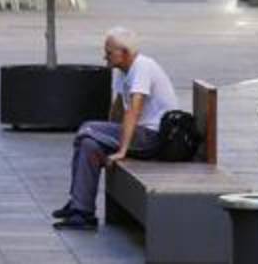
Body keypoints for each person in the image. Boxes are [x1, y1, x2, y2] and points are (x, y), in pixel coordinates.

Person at [53, 27, 179, 230]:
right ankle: (81, 210)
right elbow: (118, 108)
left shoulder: (143, 67)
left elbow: (134, 111)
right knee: (89, 144)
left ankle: (78, 203)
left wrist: (121, 150)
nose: (105, 56)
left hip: (153, 137)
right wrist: (106, 134)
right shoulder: (123, 70)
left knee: (87, 128)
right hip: (138, 134)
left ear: (126, 53)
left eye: (109, 52)